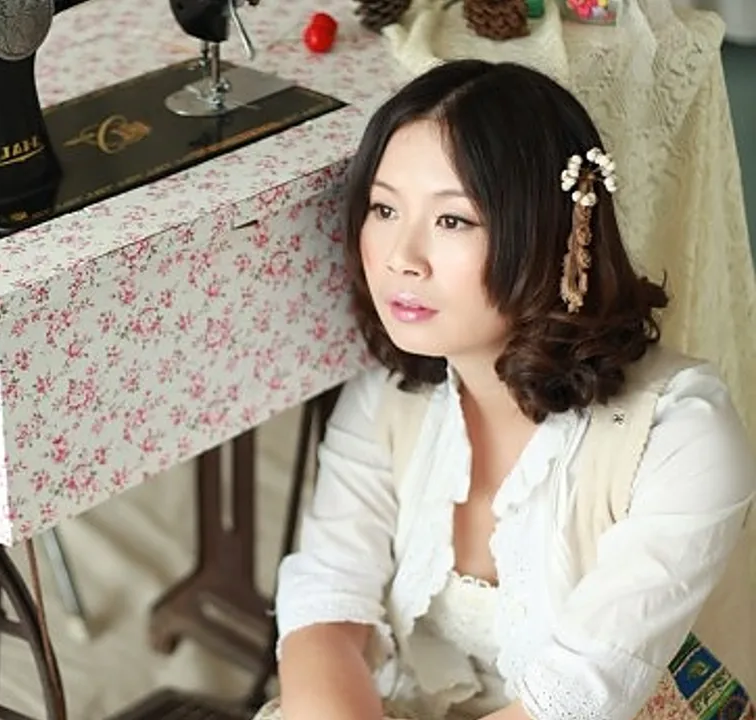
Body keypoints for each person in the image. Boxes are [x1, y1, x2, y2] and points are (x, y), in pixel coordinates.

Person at [255, 60, 755, 720]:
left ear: (554, 232)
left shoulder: (679, 434)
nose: (402, 256)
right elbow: (326, 601)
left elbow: (577, 698)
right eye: (384, 208)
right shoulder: (389, 397)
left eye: (453, 220)